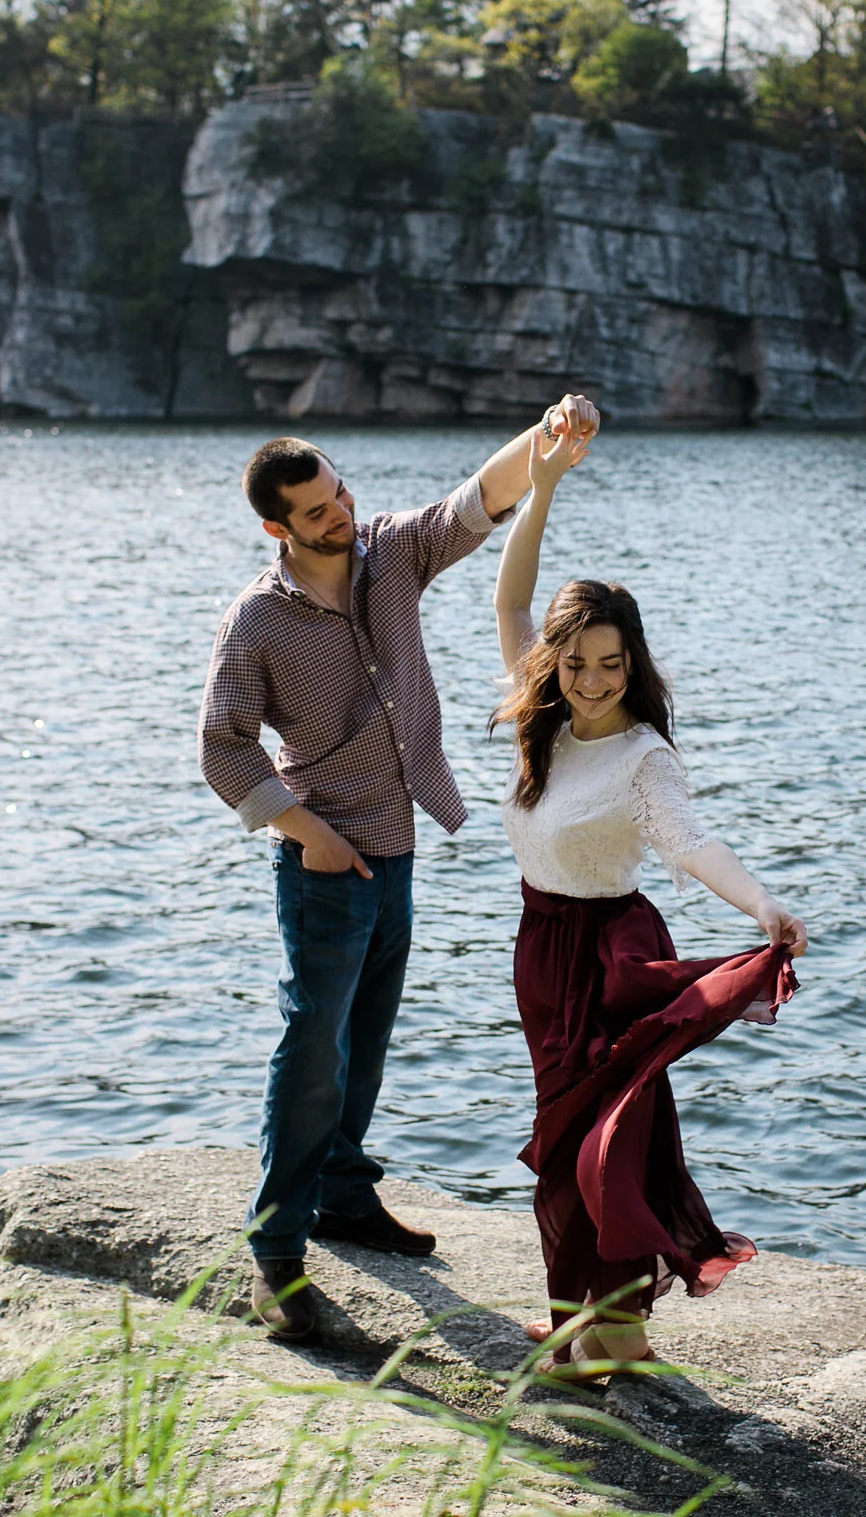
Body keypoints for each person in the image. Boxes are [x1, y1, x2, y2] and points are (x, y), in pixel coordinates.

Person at [199, 402, 598, 1342]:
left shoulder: (392, 553)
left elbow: (480, 498)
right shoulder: (256, 620)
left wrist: (548, 437)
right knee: (311, 1050)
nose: (339, 514)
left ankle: (343, 1193)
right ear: (278, 528)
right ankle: (278, 1254)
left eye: (337, 492)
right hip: (326, 860)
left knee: (364, 1043)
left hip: (398, 844)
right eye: (316, 512)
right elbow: (223, 747)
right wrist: (308, 833)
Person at [490, 408, 807, 1375]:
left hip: (610, 952)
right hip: (539, 953)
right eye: (576, 662)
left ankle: (587, 1332)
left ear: (635, 663)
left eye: (610, 663)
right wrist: (540, 488)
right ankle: (616, 1330)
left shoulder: (642, 756)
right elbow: (510, 602)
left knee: (599, 1147)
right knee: (578, 1141)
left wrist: (760, 907)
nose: (591, 679)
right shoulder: (542, 725)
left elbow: (691, 840)